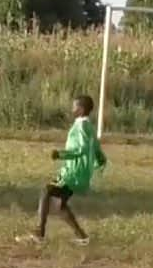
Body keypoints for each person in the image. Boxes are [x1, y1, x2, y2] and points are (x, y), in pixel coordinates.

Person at [18, 95, 106, 246]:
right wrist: (98, 164)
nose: (72, 108)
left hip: (73, 173)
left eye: (74, 106)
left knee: (46, 191)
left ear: (81, 109)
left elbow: (81, 149)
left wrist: (61, 154)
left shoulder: (81, 126)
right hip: (80, 173)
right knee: (60, 205)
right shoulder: (90, 127)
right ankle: (82, 237)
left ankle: (39, 234)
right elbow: (97, 150)